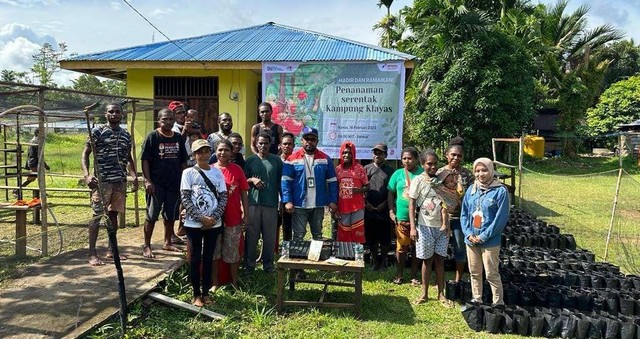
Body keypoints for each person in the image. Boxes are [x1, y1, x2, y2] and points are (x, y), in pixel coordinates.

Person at [82, 103, 138, 266]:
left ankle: (112, 250)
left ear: (122, 114)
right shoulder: (97, 132)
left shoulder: (126, 135)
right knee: (97, 216)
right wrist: (87, 175)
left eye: (117, 112)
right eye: (111, 112)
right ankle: (92, 253)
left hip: (119, 181)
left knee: (113, 215)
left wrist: (133, 175)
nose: (114, 114)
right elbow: (85, 154)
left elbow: (128, 158)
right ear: (105, 114)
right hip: (102, 181)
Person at [180, 139, 227, 307]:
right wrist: (202, 218)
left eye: (207, 151)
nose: (204, 155)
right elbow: (185, 198)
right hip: (194, 224)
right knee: (195, 258)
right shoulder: (188, 173)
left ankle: (206, 293)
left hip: (214, 223)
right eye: (200, 152)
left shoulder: (217, 173)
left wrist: (213, 218)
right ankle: (196, 294)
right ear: (194, 155)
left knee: (208, 258)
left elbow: (223, 197)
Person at [408, 150, 458, 304]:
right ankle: (424, 293)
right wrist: (412, 227)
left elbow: (452, 195)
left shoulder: (442, 179)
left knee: (440, 261)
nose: (433, 167)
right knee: (427, 261)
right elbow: (412, 204)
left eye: (435, 163)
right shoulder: (418, 180)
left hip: (443, 227)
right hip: (425, 226)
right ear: (422, 165)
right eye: (429, 164)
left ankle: (441, 294)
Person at [460, 158, 509, 305]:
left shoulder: (500, 191)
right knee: (474, 272)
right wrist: (468, 233)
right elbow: (464, 214)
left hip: (490, 241)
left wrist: (483, 236)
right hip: (471, 239)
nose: (480, 174)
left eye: (484, 170)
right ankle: (477, 298)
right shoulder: (471, 189)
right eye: (477, 170)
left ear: (491, 171)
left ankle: (498, 302)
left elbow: (500, 220)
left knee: (491, 274)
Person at [141, 108, 188, 258]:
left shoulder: (178, 138)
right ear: (158, 120)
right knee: (151, 215)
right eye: (164, 119)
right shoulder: (152, 137)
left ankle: (167, 242)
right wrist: (147, 181)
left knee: (170, 215)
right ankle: (147, 245)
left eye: (170, 119)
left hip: (174, 183)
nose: (168, 122)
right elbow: (145, 161)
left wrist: (186, 180)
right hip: (156, 184)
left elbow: (183, 161)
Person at [282, 127, 338, 242]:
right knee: (298, 235)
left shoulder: (325, 159)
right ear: (302, 140)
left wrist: (333, 200)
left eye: (313, 139)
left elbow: (332, 181)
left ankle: (316, 259)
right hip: (298, 204)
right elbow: (285, 181)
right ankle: (298, 258)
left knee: (317, 235)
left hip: (318, 204)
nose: (309, 141)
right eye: (306, 139)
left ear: (317, 141)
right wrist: (287, 201)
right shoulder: (291, 159)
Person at [212, 139, 249, 288]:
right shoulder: (210, 169)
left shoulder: (237, 170)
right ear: (215, 151)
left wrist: (246, 215)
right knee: (214, 253)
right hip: (213, 219)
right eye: (220, 150)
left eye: (226, 150)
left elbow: (244, 194)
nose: (223, 153)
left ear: (232, 151)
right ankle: (215, 283)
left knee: (233, 253)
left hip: (233, 218)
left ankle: (234, 282)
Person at [244, 132, 283, 273]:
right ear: (256, 144)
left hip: (271, 203)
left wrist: (282, 202)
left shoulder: (277, 161)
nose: (263, 146)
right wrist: (252, 180)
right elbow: (243, 181)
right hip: (253, 203)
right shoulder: (250, 160)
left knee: (270, 237)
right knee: (251, 236)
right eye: (260, 143)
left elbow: (280, 183)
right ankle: (249, 266)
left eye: (266, 143)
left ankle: (268, 266)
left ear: (270, 144)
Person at [436, 137, 473, 282]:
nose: (456, 158)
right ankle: (438, 278)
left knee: (459, 248)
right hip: (440, 217)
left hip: (460, 218)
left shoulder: (467, 174)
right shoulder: (439, 172)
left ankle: (458, 279)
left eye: (459, 155)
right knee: (439, 249)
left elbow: (471, 196)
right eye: (453, 154)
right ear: (447, 155)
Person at [388, 146, 423, 285]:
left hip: (420, 218)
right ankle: (400, 273)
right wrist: (391, 210)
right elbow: (390, 192)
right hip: (401, 217)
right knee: (401, 247)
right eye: (404, 158)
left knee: (416, 247)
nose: (407, 161)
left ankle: (414, 275)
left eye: (410, 158)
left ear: (416, 159)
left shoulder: (422, 173)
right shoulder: (397, 174)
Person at [364, 143, 395, 270]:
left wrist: (385, 205)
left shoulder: (390, 171)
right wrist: (367, 204)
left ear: (385, 155)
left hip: (384, 210)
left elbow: (391, 191)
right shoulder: (366, 169)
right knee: (371, 238)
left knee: (385, 239)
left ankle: (383, 261)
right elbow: (363, 188)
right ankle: (375, 261)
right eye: (375, 153)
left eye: (380, 153)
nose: (377, 155)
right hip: (369, 208)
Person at [334, 141, 369, 243]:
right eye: (344, 153)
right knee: (343, 234)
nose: (346, 155)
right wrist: (334, 207)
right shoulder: (337, 169)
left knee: (357, 233)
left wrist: (358, 190)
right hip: (342, 207)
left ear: (353, 154)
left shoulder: (360, 168)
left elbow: (368, 186)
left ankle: (356, 256)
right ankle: (344, 255)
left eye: (350, 153)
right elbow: (334, 189)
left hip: (357, 207)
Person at [13, 128, 50, 198]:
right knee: (32, 178)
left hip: (35, 162)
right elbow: (37, 155)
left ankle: (42, 191)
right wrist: (45, 165)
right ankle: (16, 190)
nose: (44, 134)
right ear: (37, 133)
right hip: (34, 162)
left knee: (39, 177)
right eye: (42, 132)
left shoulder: (35, 141)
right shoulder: (35, 142)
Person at [279, 132, 295, 242]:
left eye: (289, 144)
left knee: (291, 225)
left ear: (294, 145)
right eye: (284, 143)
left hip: (294, 198)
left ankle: (291, 249)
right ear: (280, 145)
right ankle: (277, 250)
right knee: (277, 225)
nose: (287, 146)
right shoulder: (275, 160)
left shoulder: (297, 161)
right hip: (278, 198)